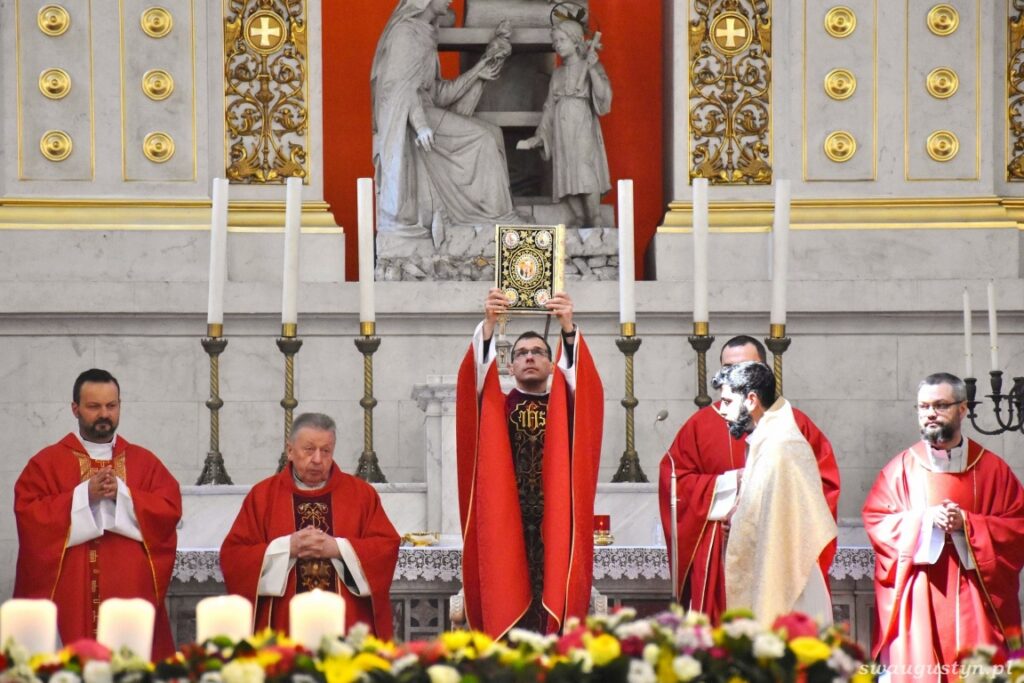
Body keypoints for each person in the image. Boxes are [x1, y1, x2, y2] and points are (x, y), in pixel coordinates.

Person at [657, 336, 840, 623]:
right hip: (720, 555)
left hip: (778, 555)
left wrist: (756, 516)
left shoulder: (792, 425)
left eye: (743, 367)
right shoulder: (701, 425)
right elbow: (675, 483)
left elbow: (820, 491)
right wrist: (730, 487)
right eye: (727, 368)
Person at [455, 288, 603, 637]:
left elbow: (586, 390)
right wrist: (489, 325)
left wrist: (568, 327)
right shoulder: (496, 408)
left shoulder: (565, 406)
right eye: (521, 353)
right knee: (509, 586)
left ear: (552, 364)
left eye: (538, 352)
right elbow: (474, 382)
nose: (530, 357)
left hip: (555, 520)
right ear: (510, 366)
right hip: (509, 520)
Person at [863, 373, 1024, 679]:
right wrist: (925, 520)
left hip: (976, 592)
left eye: (940, 405)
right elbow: (877, 520)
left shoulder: (992, 469)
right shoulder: (900, 469)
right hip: (920, 590)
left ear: (962, 409)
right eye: (923, 407)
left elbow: (1018, 526)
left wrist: (968, 523)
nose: (930, 413)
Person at [14, 369, 181, 660]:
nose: (104, 414)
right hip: (71, 593)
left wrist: (123, 495)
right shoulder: (46, 463)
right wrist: (84, 495)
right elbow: (29, 517)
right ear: (75, 409)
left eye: (111, 406)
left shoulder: (144, 462)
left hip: (129, 590)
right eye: (94, 406)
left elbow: (169, 510)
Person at [220, 413, 400, 640]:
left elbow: (386, 547)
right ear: (290, 450)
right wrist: (287, 547)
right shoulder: (263, 496)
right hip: (283, 626)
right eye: (308, 449)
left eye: (326, 451)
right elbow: (234, 556)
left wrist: (338, 548)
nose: (317, 459)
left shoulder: (361, 494)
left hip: (347, 624)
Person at [371, 0, 521, 239]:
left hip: (426, 112)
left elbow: (438, 94)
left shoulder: (426, 33)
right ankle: (497, 217)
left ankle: (497, 215)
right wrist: (421, 126)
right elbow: (400, 89)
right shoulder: (405, 34)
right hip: (412, 121)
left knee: (493, 133)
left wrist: (478, 71)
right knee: (483, 139)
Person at [716, 361, 837, 627]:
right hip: (781, 575)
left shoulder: (781, 445)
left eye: (727, 401)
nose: (721, 410)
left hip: (791, 588)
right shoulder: (769, 438)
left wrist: (738, 519)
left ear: (751, 400)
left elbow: (780, 527)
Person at [518, 19, 611, 228]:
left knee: (584, 166)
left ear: (576, 41)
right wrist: (540, 135)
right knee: (564, 170)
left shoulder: (591, 64)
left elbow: (603, 96)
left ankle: (594, 217)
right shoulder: (558, 73)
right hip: (561, 128)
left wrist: (592, 70)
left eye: (562, 40)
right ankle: (579, 217)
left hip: (581, 122)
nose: (557, 45)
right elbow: (549, 106)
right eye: (555, 41)